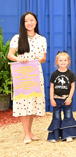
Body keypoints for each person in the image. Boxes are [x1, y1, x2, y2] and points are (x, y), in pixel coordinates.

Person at [7, 12, 47, 144]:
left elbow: (44, 59)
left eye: (31, 20)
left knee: (32, 103)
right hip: (22, 74)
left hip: (35, 74)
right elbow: (10, 55)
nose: (29, 23)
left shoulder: (42, 39)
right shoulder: (17, 38)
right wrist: (19, 58)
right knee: (24, 102)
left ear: (36, 21)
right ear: (22, 24)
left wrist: (40, 58)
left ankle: (30, 131)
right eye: (26, 21)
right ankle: (26, 134)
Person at [47, 51, 76, 143]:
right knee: (56, 117)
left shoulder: (70, 74)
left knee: (68, 117)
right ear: (57, 62)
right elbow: (52, 87)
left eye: (65, 60)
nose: (63, 62)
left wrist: (69, 98)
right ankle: (55, 136)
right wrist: (52, 99)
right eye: (60, 60)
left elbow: (73, 86)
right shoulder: (54, 74)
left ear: (68, 61)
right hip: (56, 99)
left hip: (66, 100)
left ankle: (68, 135)